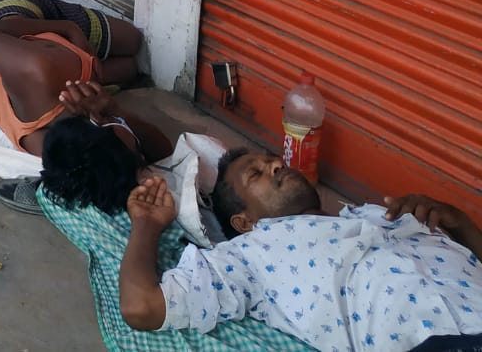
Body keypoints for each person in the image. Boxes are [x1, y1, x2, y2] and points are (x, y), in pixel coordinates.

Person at [119, 147, 482, 352]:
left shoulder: (377, 214)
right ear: (243, 222)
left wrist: (461, 225)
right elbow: (142, 306)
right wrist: (147, 225)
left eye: (274, 161)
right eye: (257, 174)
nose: (278, 164)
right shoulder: (250, 254)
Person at [0, 0, 169, 214]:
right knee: (131, 62)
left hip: (3, 26)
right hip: (55, 61)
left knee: (132, 40)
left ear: (95, 121)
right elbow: (163, 150)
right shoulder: (71, 154)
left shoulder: (39, 71)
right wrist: (116, 110)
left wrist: (69, 28)